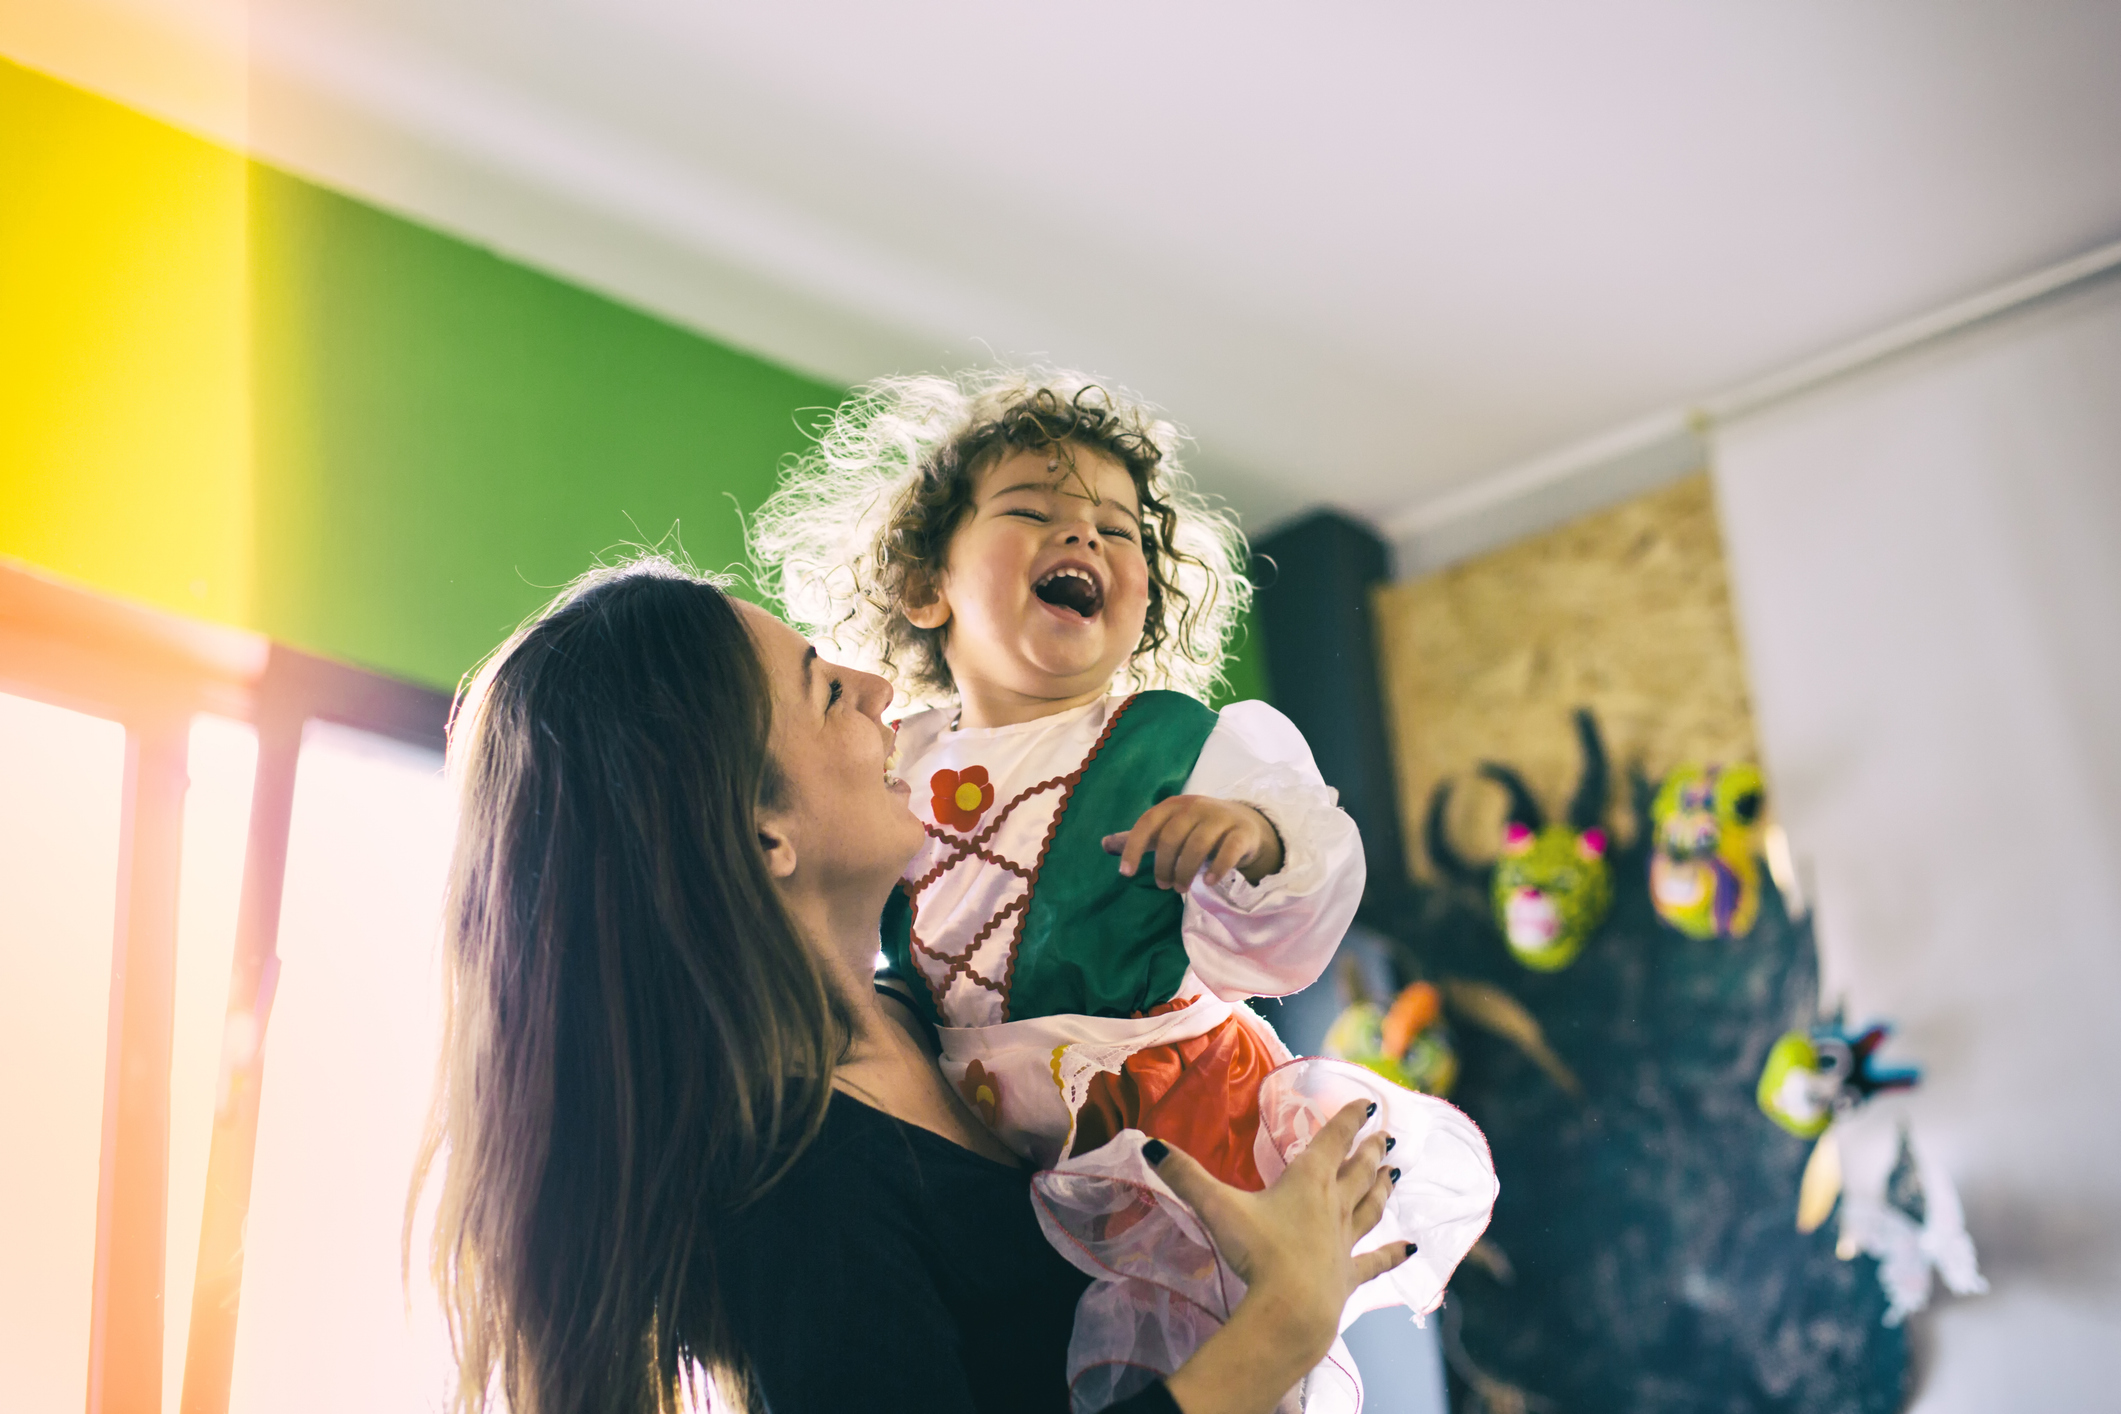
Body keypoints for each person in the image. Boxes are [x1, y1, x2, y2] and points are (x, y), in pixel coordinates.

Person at [412, 557, 1416, 1414]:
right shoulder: (797, 1190)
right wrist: (1282, 1321)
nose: (880, 689)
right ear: (765, 836)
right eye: (825, 692)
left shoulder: (945, 1019)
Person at [750, 374, 1497, 1382]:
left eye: (1121, 530)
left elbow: (1290, 935)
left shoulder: (1164, 742)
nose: (1088, 541)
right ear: (928, 585)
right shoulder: (900, 765)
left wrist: (1252, 842)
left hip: (1169, 1107)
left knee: (1203, 1338)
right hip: (1008, 1142)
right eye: (1033, 512)